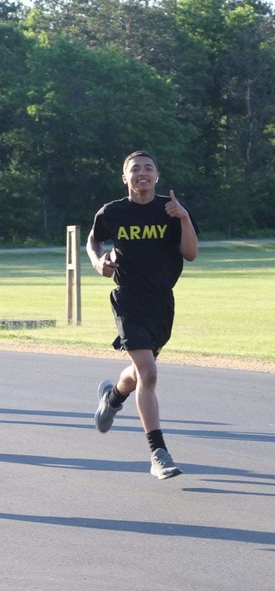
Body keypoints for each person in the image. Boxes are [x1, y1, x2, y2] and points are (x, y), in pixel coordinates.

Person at [88, 150, 199, 480]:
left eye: (148, 168)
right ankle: (158, 453)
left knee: (140, 372)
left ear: (157, 175)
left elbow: (190, 254)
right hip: (128, 300)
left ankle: (113, 397)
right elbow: (94, 241)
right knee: (149, 372)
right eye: (135, 169)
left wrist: (183, 217)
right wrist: (97, 262)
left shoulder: (171, 209)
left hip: (162, 304)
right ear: (126, 178)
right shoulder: (112, 212)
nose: (142, 173)